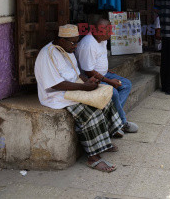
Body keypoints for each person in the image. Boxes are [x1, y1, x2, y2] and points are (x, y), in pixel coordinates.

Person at [34, 24, 123, 173]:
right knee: (90, 112)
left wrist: (88, 82)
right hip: (57, 95)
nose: (76, 46)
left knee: (105, 98)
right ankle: (93, 158)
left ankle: (105, 142)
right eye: (73, 42)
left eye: (77, 41)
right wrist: (84, 87)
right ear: (61, 40)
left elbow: (76, 73)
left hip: (74, 88)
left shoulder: (68, 49)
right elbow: (56, 84)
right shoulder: (47, 54)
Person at [75, 18, 138, 137]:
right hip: (91, 78)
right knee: (113, 92)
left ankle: (112, 119)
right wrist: (109, 81)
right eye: (107, 32)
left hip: (103, 74)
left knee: (126, 84)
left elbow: (99, 58)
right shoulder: (88, 44)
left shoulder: (102, 39)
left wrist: (106, 69)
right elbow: (88, 71)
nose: (110, 34)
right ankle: (121, 122)